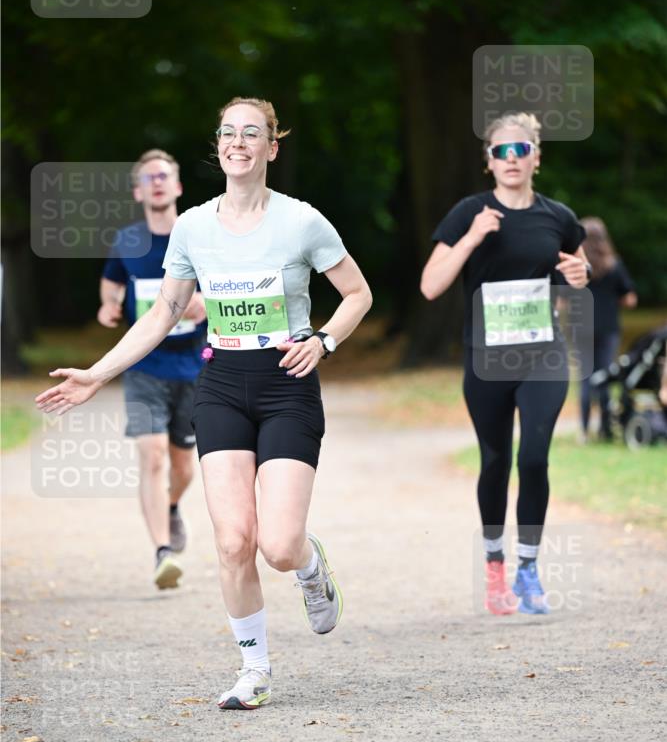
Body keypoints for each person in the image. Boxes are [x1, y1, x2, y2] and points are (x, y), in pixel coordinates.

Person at [36, 97, 372, 710]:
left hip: (286, 383)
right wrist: (98, 373)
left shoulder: (303, 222)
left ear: (272, 148)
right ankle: (255, 669)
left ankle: (307, 562)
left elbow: (357, 294)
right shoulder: (193, 226)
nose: (237, 142)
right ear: (217, 147)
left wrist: (323, 341)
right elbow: (163, 313)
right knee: (232, 540)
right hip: (220, 385)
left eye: (251, 134)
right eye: (227, 133)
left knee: (276, 544)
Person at [421, 112, 589, 617]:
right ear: (488, 160)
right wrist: (472, 237)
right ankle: (495, 566)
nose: (511, 159)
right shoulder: (469, 212)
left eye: (521, 150)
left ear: (537, 156)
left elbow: (575, 275)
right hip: (487, 360)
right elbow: (430, 286)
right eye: (501, 151)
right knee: (495, 462)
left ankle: (529, 569)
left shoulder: (558, 217)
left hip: (544, 354)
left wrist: (581, 277)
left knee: (533, 457)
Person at [98, 149, 207, 590]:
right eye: (149, 178)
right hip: (144, 367)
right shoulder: (127, 241)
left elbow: (234, 285)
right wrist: (108, 307)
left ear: (178, 186)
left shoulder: (200, 236)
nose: (158, 183)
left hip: (195, 368)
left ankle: (172, 507)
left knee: (184, 468)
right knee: (152, 454)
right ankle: (163, 553)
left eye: (165, 176)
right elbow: (111, 285)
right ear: (138, 191)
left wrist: (208, 305)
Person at [579, 216, 637, 441]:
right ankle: (605, 429)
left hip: (581, 327)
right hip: (608, 328)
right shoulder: (615, 265)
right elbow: (630, 299)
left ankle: (584, 431)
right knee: (604, 376)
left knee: (585, 379)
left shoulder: (578, 266)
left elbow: (562, 299)